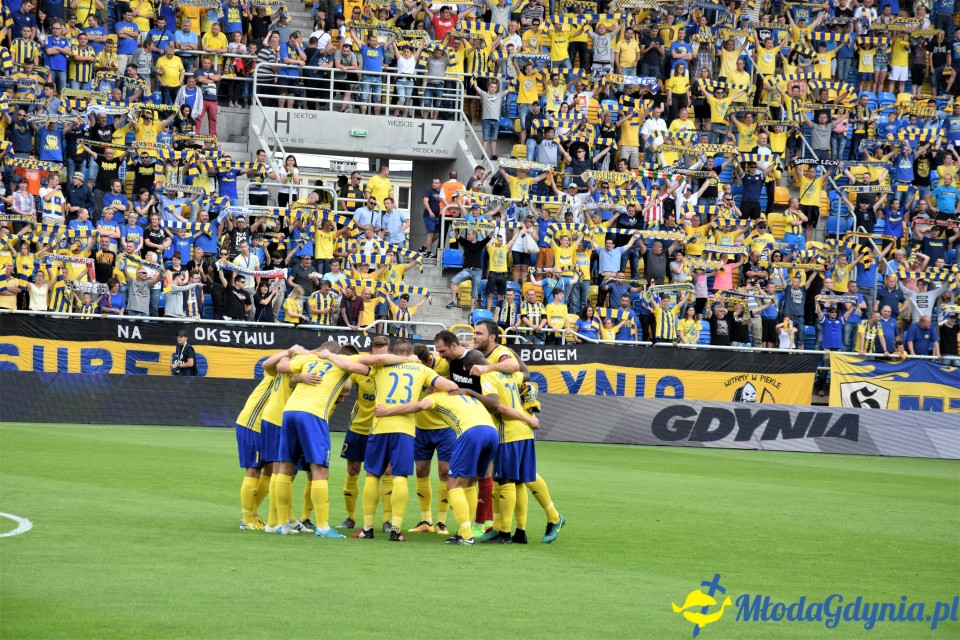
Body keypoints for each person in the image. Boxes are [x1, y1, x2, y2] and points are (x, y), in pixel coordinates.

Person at [323, 340, 458, 541]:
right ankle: (395, 531)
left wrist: (329, 355)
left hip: (379, 427)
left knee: (372, 475)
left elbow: (351, 365)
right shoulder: (422, 370)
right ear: (412, 353)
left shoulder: (381, 367)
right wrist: (432, 393)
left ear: (394, 353)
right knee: (399, 477)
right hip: (404, 430)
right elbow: (451, 386)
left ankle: (367, 528)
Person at [234, 348, 304, 530]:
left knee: (272, 470)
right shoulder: (277, 371)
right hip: (253, 423)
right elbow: (267, 363)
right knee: (254, 469)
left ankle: (259, 513)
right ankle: (247, 518)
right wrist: (288, 351)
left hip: (266, 426)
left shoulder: (289, 373)